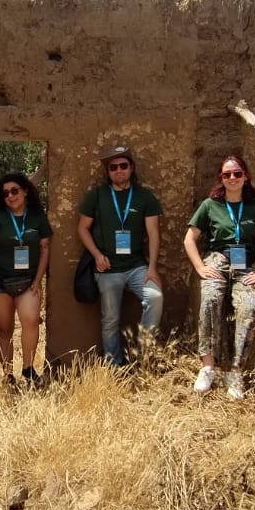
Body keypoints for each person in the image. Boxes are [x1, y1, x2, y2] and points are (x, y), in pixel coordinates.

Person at [184, 155, 255, 399]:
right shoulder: (210, 205)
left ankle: (235, 371)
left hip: (246, 264)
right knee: (209, 301)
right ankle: (208, 366)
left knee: (248, 307)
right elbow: (189, 239)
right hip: (216, 259)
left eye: (237, 173)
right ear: (221, 178)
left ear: (245, 176)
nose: (233, 178)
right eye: (227, 174)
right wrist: (199, 267)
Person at [77, 144, 164, 367]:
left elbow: (153, 233)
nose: (118, 170)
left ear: (131, 167)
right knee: (110, 320)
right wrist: (96, 255)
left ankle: (143, 358)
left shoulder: (144, 196)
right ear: (108, 172)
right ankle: (114, 366)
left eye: (123, 165)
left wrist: (152, 267)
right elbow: (82, 229)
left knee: (154, 297)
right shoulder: (97, 195)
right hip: (107, 267)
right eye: (113, 167)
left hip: (137, 265)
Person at [0, 172, 52, 386]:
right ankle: (8, 375)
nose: (10, 196)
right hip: (0, 281)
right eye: (5, 193)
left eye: (14, 191)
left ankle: (29, 370)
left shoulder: (37, 216)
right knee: (4, 327)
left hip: (28, 280)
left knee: (30, 321)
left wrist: (38, 279)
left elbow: (45, 248)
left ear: (25, 191)